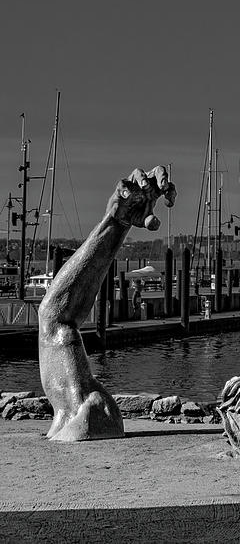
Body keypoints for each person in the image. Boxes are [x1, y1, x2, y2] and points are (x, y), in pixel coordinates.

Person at [38, 166, 176, 442]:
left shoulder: (87, 409)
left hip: (84, 414)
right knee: (54, 322)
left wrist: (114, 224)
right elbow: (54, 316)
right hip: (76, 414)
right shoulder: (71, 409)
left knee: (54, 322)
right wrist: (115, 223)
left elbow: (55, 315)